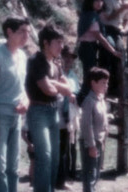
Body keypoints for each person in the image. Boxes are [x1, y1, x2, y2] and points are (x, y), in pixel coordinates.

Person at [0, 16, 31, 192]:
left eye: (28, 32)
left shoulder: (23, 56)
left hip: (16, 116)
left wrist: (26, 101)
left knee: (13, 167)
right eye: (22, 32)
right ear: (9, 32)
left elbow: (22, 87)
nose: (26, 36)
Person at [26, 25, 74, 192]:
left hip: (54, 111)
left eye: (62, 42)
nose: (61, 46)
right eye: (58, 42)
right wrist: (58, 85)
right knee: (44, 157)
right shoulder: (36, 61)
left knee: (54, 158)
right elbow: (49, 90)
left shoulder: (55, 62)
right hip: (38, 112)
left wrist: (55, 84)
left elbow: (68, 86)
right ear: (46, 43)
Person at [78, 0, 121, 103]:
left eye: (101, 1)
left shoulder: (89, 14)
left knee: (88, 75)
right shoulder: (91, 16)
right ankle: (82, 101)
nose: (99, 3)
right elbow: (100, 37)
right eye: (96, 1)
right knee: (89, 76)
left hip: (88, 47)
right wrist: (113, 51)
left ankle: (83, 100)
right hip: (88, 47)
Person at [79, 67, 110, 192]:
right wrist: (91, 146)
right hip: (90, 142)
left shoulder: (101, 99)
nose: (106, 85)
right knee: (90, 174)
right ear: (93, 83)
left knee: (96, 174)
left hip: (99, 140)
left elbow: (103, 120)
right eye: (103, 82)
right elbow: (86, 125)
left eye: (107, 83)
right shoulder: (89, 101)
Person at [55, 46, 80, 190]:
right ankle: (60, 177)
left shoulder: (73, 76)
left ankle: (70, 173)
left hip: (70, 115)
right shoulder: (57, 73)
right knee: (60, 149)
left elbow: (76, 91)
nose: (69, 60)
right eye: (66, 57)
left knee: (71, 146)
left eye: (71, 57)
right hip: (58, 114)